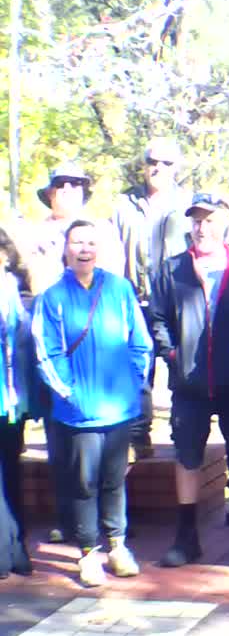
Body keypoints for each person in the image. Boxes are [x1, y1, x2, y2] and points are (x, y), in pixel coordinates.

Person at [32, 220, 153, 587]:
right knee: (83, 483)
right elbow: (46, 352)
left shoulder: (119, 289)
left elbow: (140, 342)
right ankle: (88, 553)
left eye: (90, 242)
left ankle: (117, 546)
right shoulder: (52, 298)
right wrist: (69, 392)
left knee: (114, 480)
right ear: (66, 249)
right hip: (77, 412)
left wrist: (132, 384)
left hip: (118, 408)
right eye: (77, 242)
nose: (84, 249)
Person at [150, 193, 229, 567]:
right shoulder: (172, 269)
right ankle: (186, 535)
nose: (202, 228)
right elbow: (157, 320)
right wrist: (172, 354)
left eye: (210, 220)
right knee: (187, 457)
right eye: (197, 220)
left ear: (225, 223)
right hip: (190, 384)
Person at [110, 138, 192, 459]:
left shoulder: (188, 204)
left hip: (177, 302)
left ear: (177, 168)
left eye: (167, 163)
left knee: (180, 368)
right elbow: (112, 250)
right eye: (152, 161)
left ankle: (183, 435)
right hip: (134, 300)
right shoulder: (124, 204)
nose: (158, 168)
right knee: (138, 370)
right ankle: (138, 436)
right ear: (143, 165)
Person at [26, 163, 124, 295]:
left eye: (74, 183)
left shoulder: (103, 231)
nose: (67, 188)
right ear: (50, 193)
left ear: (83, 192)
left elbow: (114, 280)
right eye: (60, 183)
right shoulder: (32, 235)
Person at [0, 238, 31, 578]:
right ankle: (5, 551)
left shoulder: (11, 290)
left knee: (10, 470)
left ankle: (18, 544)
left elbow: (23, 340)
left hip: (10, 399)